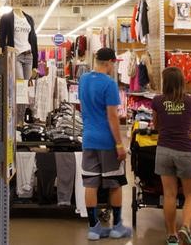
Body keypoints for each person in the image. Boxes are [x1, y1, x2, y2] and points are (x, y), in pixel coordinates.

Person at [78, 47, 132, 241]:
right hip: (107, 141)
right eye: (113, 63)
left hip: (89, 139)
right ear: (109, 62)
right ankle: (117, 226)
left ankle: (94, 228)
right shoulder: (109, 84)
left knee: (90, 184)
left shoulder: (83, 80)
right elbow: (112, 117)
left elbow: (84, 109)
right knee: (115, 183)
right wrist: (119, 144)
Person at [152, 67, 191, 245]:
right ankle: (186, 226)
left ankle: (171, 235)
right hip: (186, 151)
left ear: (165, 82)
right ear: (182, 81)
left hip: (164, 150)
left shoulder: (158, 101)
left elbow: (155, 125)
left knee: (169, 195)